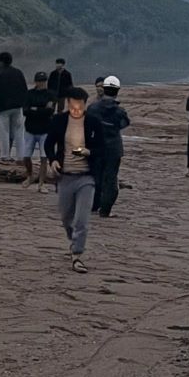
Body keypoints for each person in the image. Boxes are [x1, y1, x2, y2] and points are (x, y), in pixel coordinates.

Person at [45, 87, 105, 274]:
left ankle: (77, 255)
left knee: (82, 219)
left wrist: (89, 152)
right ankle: (73, 242)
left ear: (85, 104)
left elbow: (102, 149)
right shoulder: (59, 120)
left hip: (86, 177)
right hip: (65, 176)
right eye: (72, 104)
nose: (76, 108)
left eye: (79, 105)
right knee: (66, 217)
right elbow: (49, 143)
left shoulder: (94, 122)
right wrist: (53, 160)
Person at [87, 76, 131, 217]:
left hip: (96, 147)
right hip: (114, 148)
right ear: (117, 91)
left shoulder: (92, 108)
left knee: (96, 177)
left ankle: (93, 206)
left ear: (104, 89)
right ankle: (105, 211)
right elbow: (124, 124)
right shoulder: (119, 111)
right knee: (111, 179)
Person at [21, 71, 55, 191]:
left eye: (44, 81)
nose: (42, 83)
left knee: (44, 158)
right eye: (40, 81)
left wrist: (34, 109)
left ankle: (41, 183)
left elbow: (50, 111)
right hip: (30, 129)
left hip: (45, 130)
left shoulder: (50, 94)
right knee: (26, 156)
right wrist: (41, 109)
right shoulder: (29, 94)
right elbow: (25, 110)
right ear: (36, 82)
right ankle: (30, 175)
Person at [0, 52, 27, 162]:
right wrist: (23, 105)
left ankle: (5, 156)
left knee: (4, 132)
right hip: (17, 106)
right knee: (19, 132)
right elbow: (24, 90)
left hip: (3, 108)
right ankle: (21, 156)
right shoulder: (18, 72)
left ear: (0, 61)